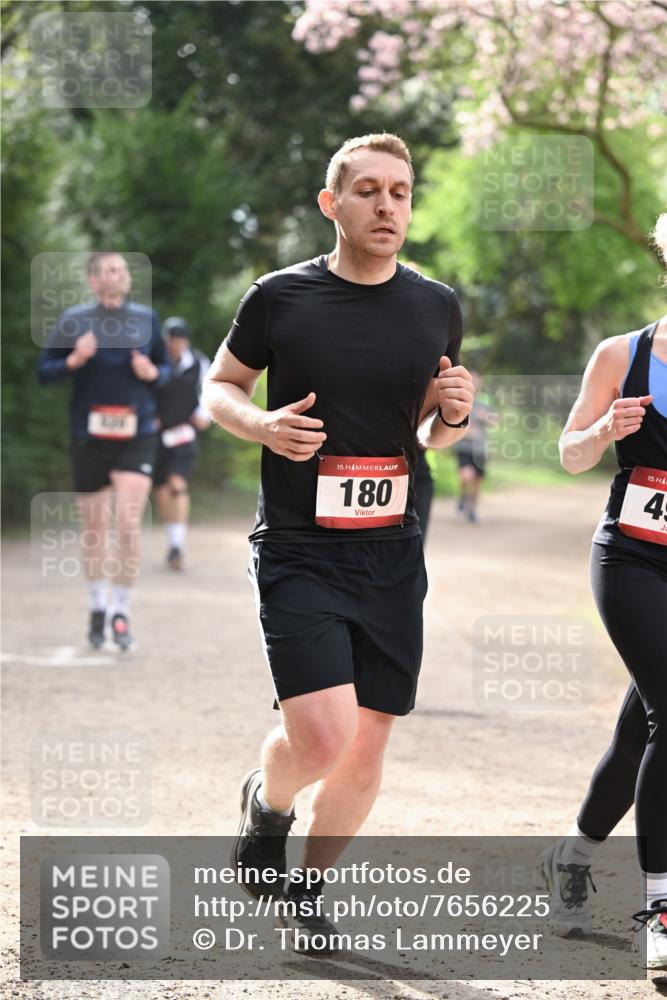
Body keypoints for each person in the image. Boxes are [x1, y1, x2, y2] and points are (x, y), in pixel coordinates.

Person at [203, 133, 475, 952]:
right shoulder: (279, 298)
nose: (385, 204)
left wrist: (454, 412)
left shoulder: (436, 306)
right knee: (322, 735)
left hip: (392, 549)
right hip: (298, 543)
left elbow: (429, 435)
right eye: (366, 190)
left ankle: (309, 893)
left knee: (366, 742)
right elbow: (220, 387)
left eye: (399, 191)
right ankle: (268, 802)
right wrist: (261, 424)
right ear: (332, 204)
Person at [542, 213, 667, 970]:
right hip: (630, 559)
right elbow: (567, 451)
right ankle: (659, 904)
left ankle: (573, 854)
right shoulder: (621, 354)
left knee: (642, 732)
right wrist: (600, 433)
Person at [38, 251, 170, 650]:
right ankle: (97, 605)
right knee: (95, 530)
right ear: (94, 281)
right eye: (111, 270)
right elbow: (44, 372)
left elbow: (167, 373)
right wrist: (74, 359)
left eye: (123, 270)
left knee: (128, 524)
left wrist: (152, 373)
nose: (120, 275)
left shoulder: (146, 320)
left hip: (137, 434)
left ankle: (121, 612)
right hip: (89, 438)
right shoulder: (75, 321)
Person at [153, 317, 211, 570]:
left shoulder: (199, 363)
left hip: (184, 433)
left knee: (177, 484)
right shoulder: (156, 362)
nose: (174, 345)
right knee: (161, 492)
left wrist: (204, 415)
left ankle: (177, 546)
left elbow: (210, 392)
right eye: (170, 340)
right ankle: (173, 541)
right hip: (155, 436)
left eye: (178, 340)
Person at [453, 373, 494, 523]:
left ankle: (472, 509)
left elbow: (495, 420)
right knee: (466, 476)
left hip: (480, 449)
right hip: (463, 446)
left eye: (477, 382)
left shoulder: (484, 404)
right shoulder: (459, 401)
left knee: (477, 481)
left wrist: (487, 418)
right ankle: (463, 496)